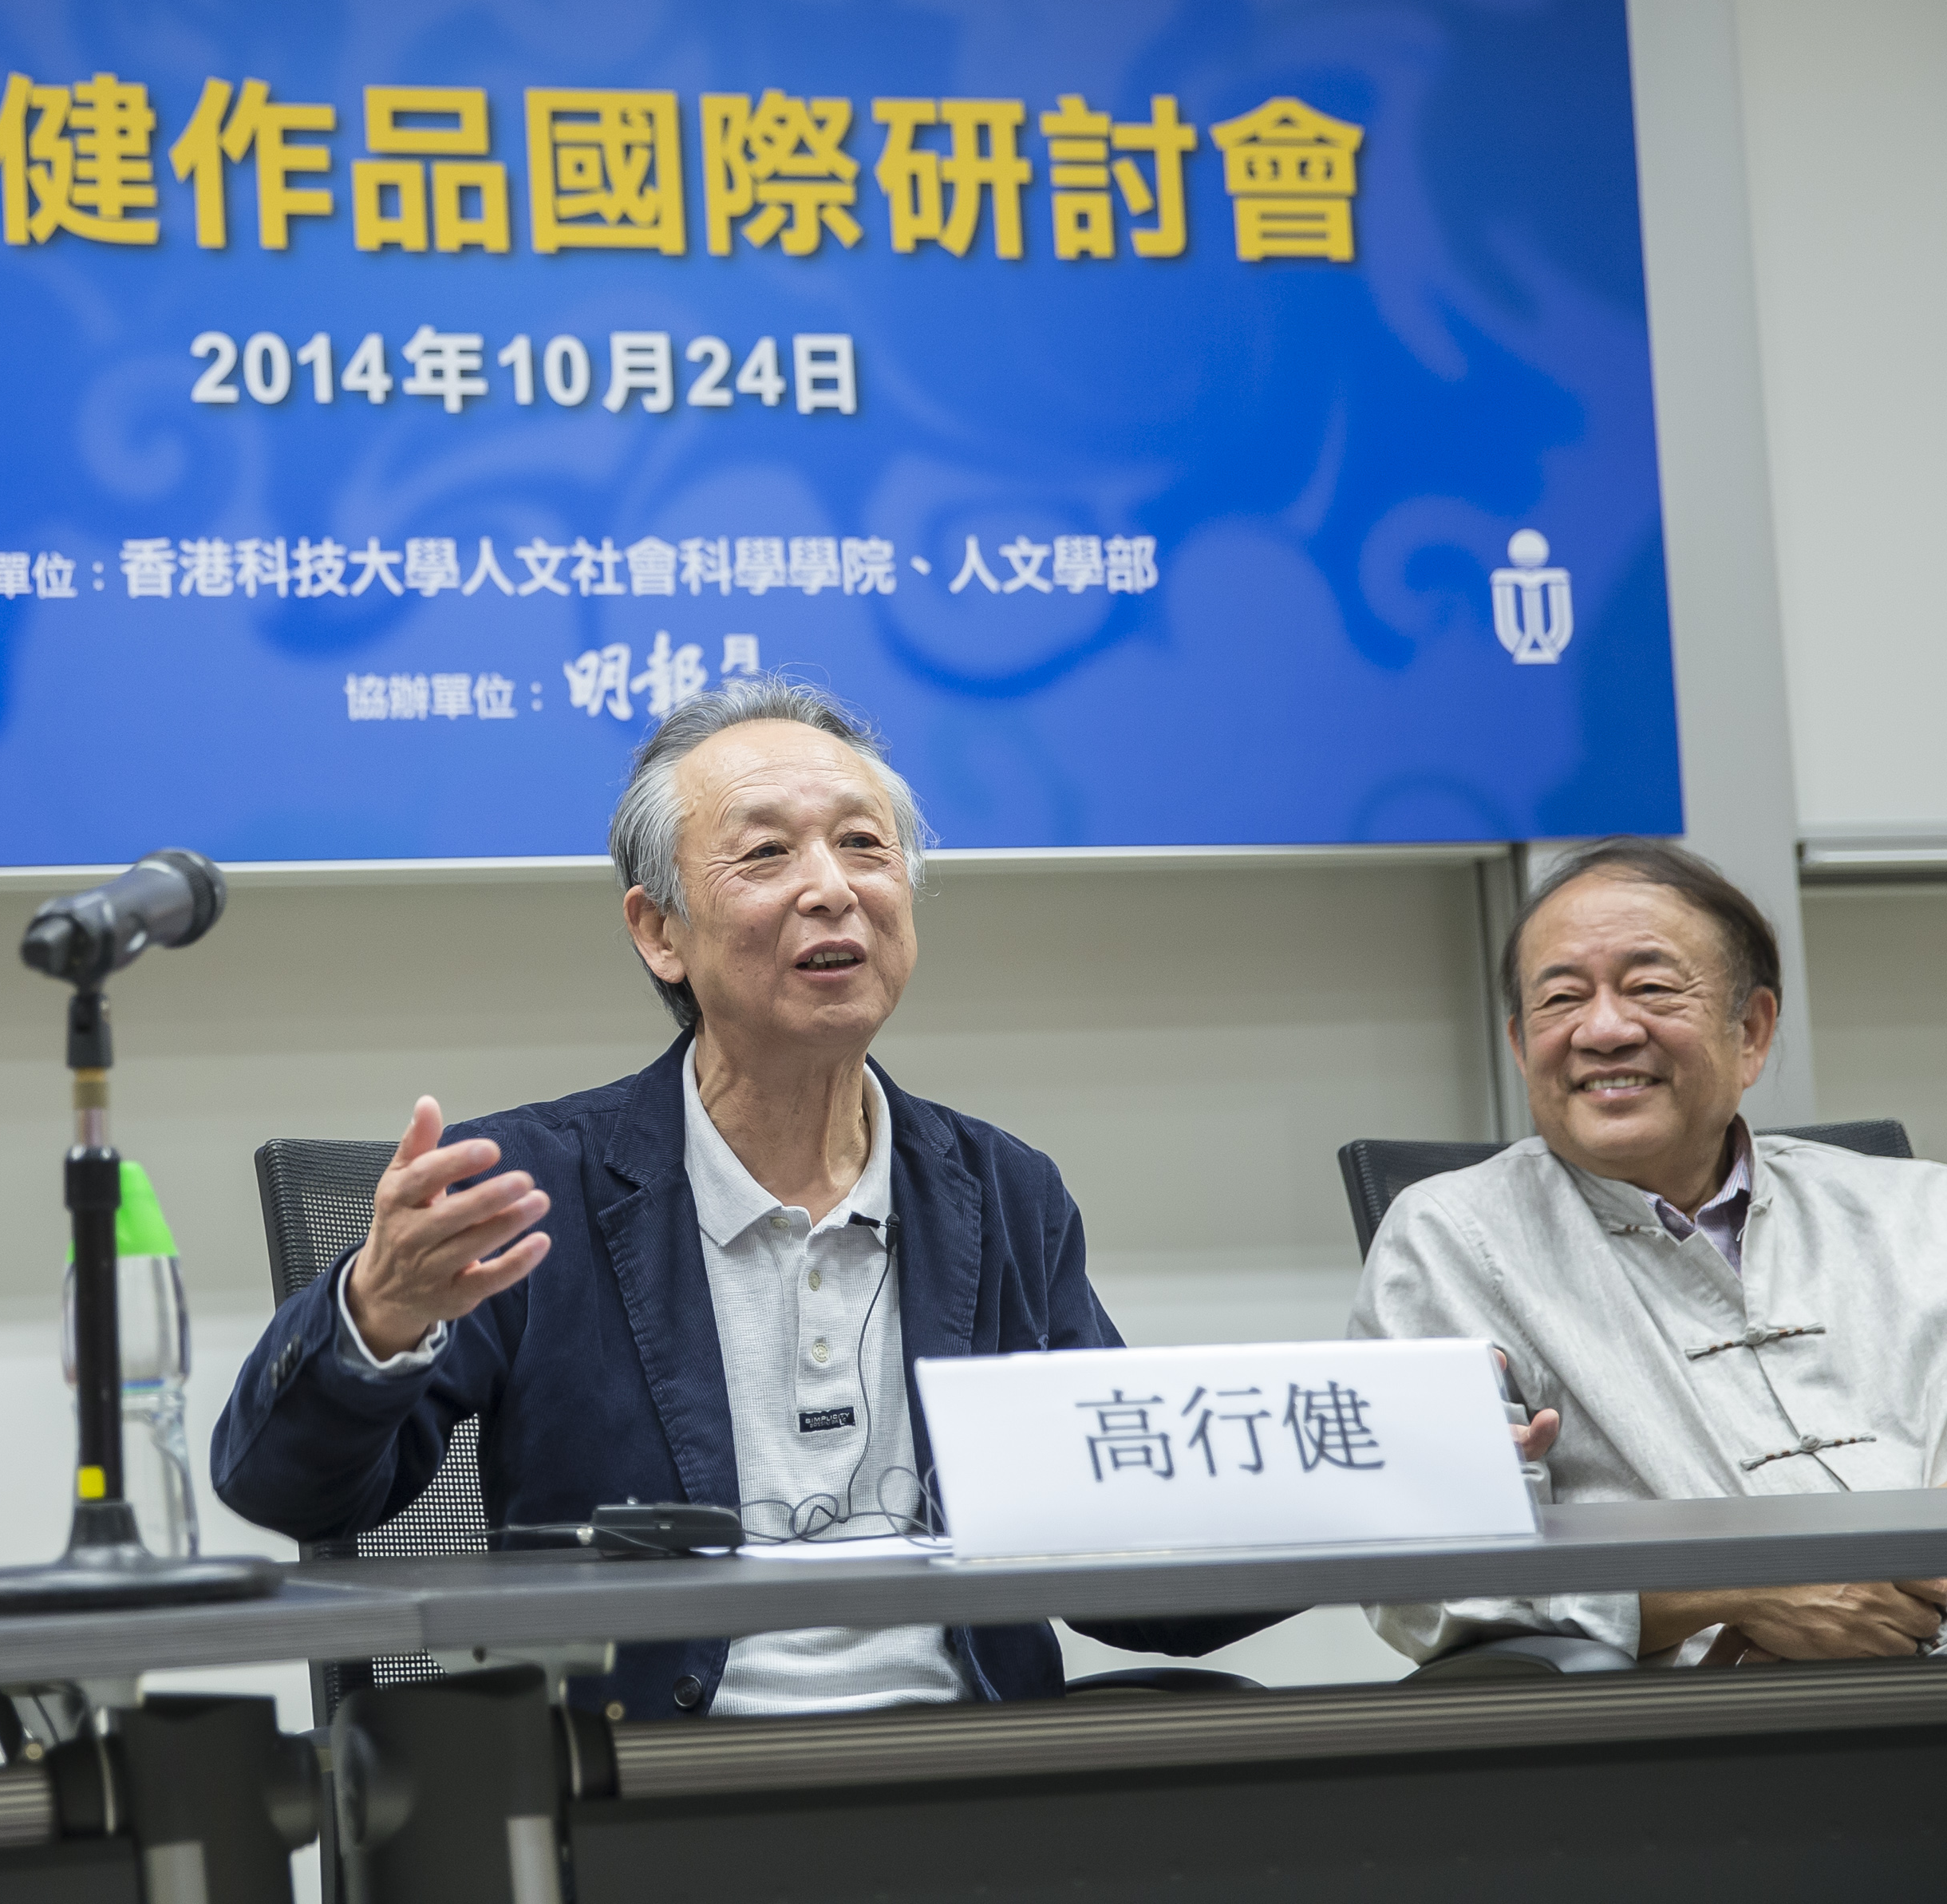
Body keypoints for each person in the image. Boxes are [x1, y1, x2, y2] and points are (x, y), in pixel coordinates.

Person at [212, 678, 1266, 1720]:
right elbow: (287, 1491)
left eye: (863, 845)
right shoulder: (532, 1190)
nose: (831, 888)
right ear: (658, 930)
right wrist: (375, 1314)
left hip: (965, 1776)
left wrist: (1356, 1497)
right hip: (655, 1790)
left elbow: (1124, 1550)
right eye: (765, 853)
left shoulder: (1001, 1192)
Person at [1353, 837, 1947, 1666]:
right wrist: (1741, 1584)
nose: (1605, 1027)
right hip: (1740, 1729)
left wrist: (1886, 1554)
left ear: (1751, 1029)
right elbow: (1429, 1576)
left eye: (1650, 987)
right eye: (1560, 998)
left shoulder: (1941, 1208)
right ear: (1519, 1042)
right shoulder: (1448, 1241)